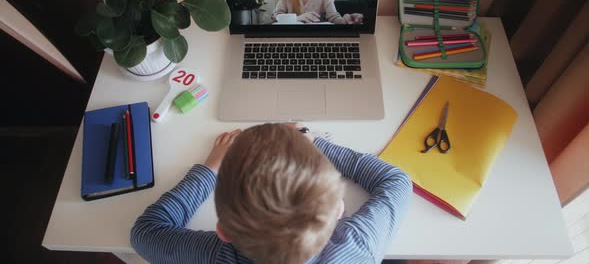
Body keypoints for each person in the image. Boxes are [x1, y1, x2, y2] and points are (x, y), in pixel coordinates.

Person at [131, 123, 412, 264]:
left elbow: (144, 234)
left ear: (224, 232)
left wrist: (211, 168)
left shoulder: (219, 255)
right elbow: (396, 181)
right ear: (338, 209)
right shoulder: (355, 248)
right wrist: (315, 144)